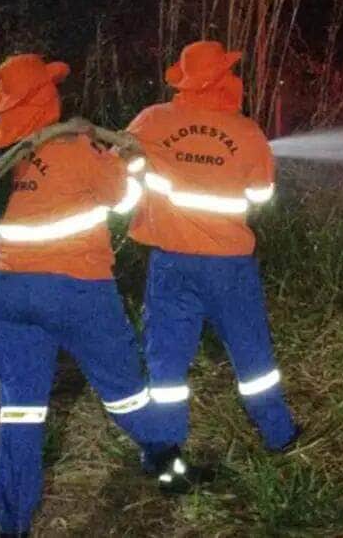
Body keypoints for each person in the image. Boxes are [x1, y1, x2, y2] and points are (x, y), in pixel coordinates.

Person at [0, 53, 172, 537]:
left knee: (20, 409)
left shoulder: (0, 157)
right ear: (47, 97)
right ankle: (163, 452)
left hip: (7, 290)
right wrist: (126, 158)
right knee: (124, 390)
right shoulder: (77, 151)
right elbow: (124, 200)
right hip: (76, 289)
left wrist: (81, 139)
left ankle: (12, 522)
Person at [125, 40, 299, 491]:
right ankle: (280, 436)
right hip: (229, 266)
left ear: (183, 79)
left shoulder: (151, 121)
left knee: (165, 361)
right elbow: (260, 197)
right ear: (225, 79)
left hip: (169, 262)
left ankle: (163, 453)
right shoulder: (246, 132)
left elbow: (119, 173)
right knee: (252, 354)